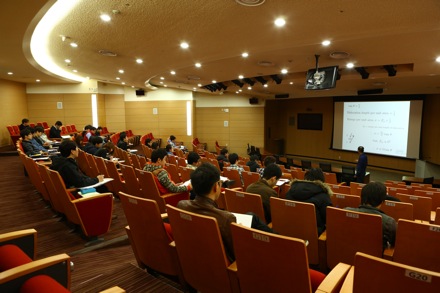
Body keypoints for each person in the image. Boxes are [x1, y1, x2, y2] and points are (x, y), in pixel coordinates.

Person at [345, 182, 397, 250]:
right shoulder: (389, 222)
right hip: (373, 258)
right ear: (382, 201)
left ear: (362, 197)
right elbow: (393, 244)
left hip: (348, 250)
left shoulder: (346, 211)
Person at [286, 168, 333, 235]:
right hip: (313, 234)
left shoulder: (290, 191)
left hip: (290, 230)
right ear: (322, 181)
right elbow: (329, 220)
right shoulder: (324, 197)